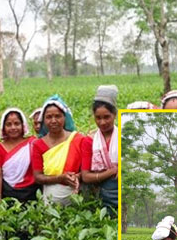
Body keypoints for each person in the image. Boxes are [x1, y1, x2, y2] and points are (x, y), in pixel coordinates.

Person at [31, 95, 87, 205]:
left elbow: (86, 170)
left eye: (58, 116)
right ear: (44, 120)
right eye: (49, 117)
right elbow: (38, 176)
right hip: (51, 200)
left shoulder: (78, 139)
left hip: (77, 196)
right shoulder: (38, 145)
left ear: (65, 117)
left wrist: (76, 177)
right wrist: (60, 178)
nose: (53, 120)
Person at [81, 85, 118, 214]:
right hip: (101, 192)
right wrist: (112, 172)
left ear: (115, 114)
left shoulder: (122, 137)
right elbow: (85, 176)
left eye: (107, 117)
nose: (102, 122)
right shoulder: (89, 141)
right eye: (98, 118)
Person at [0, 107, 40, 202]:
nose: (13, 127)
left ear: (23, 125)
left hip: (31, 193)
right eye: (9, 124)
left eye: (17, 123)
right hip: (8, 193)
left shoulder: (32, 143)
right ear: (3, 127)